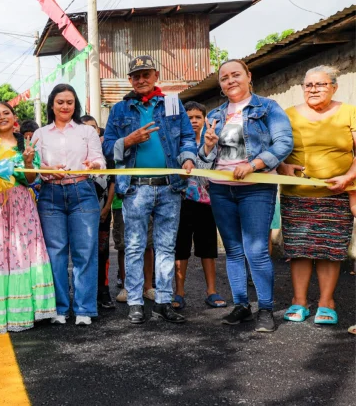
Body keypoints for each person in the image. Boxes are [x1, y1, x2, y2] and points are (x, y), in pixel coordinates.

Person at [200, 59, 293, 332]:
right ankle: (242, 305)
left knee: (256, 250)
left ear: (248, 76)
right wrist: (206, 147)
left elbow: (284, 143)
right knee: (233, 250)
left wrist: (253, 165)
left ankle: (265, 309)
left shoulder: (267, 107)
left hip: (255, 188)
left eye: (236, 74)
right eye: (225, 77)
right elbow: (204, 159)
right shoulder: (215, 115)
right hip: (220, 188)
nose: (230, 81)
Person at [102, 55, 196, 325]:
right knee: (134, 246)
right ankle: (135, 302)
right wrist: (128, 140)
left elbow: (187, 137)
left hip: (170, 187)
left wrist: (188, 157)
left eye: (146, 74)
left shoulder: (171, 102)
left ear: (156, 76)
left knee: (166, 247)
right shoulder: (120, 109)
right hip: (136, 189)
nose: (141, 80)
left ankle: (164, 302)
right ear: (130, 80)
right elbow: (108, 147)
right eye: (135, 76)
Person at [0, 102, 56, 333]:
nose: (2, 117)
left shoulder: (24, 143)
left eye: (6, 113)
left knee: (20, 253)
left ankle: (26, 309)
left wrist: (27, 162)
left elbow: (31, 178)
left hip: (20, 204)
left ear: (14, 116)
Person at [277, 66, 355, 326]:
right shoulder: (287, 115)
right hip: (296, 194)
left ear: (334, 86)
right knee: (299, 249)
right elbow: (276, 149)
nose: (313, 89)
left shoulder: (349, 112)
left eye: (320, 84)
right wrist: (283, 166)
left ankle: (326, 302)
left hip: (337, 194)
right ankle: (299, 301)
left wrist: (348, 178)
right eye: (308, 85)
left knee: (329, 250)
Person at [32, 84, 106, 326]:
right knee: (56, 253)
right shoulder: (40, 134)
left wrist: (94, 165)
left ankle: (84, 308)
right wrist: (46, 171)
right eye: (60, 102)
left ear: (75, 106)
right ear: (51, 104)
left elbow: (99, 160)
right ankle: (60, 308)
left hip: (82, 191)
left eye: (70, 102)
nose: (65, 106)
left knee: (85, 252)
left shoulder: (87, 132)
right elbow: (33, 168)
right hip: (50, 194)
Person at [173, 101, 224, 310]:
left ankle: (211, 290)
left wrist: (208, 146)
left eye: (197, 117)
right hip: (181, 202)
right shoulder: (177, 143)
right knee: (180, 248)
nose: (193, 121)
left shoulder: (213, 141)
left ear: (204, 120)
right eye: (189, 117)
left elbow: (205, 170)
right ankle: (179, 292)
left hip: (206, 203)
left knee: (208, 248)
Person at [82, 114, 114, 309]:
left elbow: (112, 182)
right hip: (82, 212)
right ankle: (85, 292)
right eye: (84, 127)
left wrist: (107, 207)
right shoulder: (75, 153)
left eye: (93, 127)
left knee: (102, 252)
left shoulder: (106, 154)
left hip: (103, 210)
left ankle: (103, 290)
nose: (89, 131)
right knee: (84, 253)